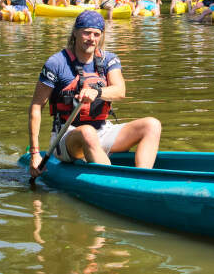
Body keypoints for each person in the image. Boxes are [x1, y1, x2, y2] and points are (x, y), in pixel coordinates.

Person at [28, 10, 162, 177]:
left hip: (103, 130)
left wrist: (97, 92)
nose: (91, 38)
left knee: (152, 125)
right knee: (87, 132)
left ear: (101, 36)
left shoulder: (109, 59)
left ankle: (142, 180)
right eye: (86, 32)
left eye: (96, 34)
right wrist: (34, 153)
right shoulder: (56, 63)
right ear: (75, 32)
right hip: (66, 136)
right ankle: (113, 181)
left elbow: (120, 91)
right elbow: (36, 106)